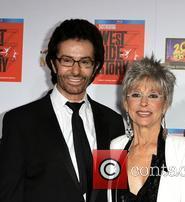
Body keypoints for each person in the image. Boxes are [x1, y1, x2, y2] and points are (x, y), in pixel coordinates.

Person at [0, 19, 125, 202]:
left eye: (85, 62)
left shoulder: (112, 121)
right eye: (67, 61)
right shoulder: (20, 122)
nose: (75, 71)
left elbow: (114, 191)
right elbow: (8, 195)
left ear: (96, 66)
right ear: (52, 63)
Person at [108, 56, 185, 202]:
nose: (144, 103)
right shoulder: (112, 148)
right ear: (126, 102)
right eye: (136, 95)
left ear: (165, 104)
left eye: (153, 96)